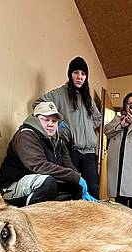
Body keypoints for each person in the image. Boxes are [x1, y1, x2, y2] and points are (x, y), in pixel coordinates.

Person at [0, 101, 96, 206]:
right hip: (11, 187)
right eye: (45, 119)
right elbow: (40, 166)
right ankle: (32, 216)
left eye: (54, 121)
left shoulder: (58, 141)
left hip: (37, 181)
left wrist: (78, 181)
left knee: (74, 186)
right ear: (36, 120)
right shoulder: (26, 135)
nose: (50, 124)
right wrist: (75, 177)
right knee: (48, 183)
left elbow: (68, 166)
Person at [33, 56, 102, 199]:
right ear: (70, 74)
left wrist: (88, 128)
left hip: (89, 152)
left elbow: (98, 118)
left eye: (83, 74)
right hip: (71, 150)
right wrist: (61, 126)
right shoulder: (59, 94)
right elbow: (38, 105)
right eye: (76, 72)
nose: (79, 77)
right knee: (74, 189)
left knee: (93, 188)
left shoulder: (87, 98)